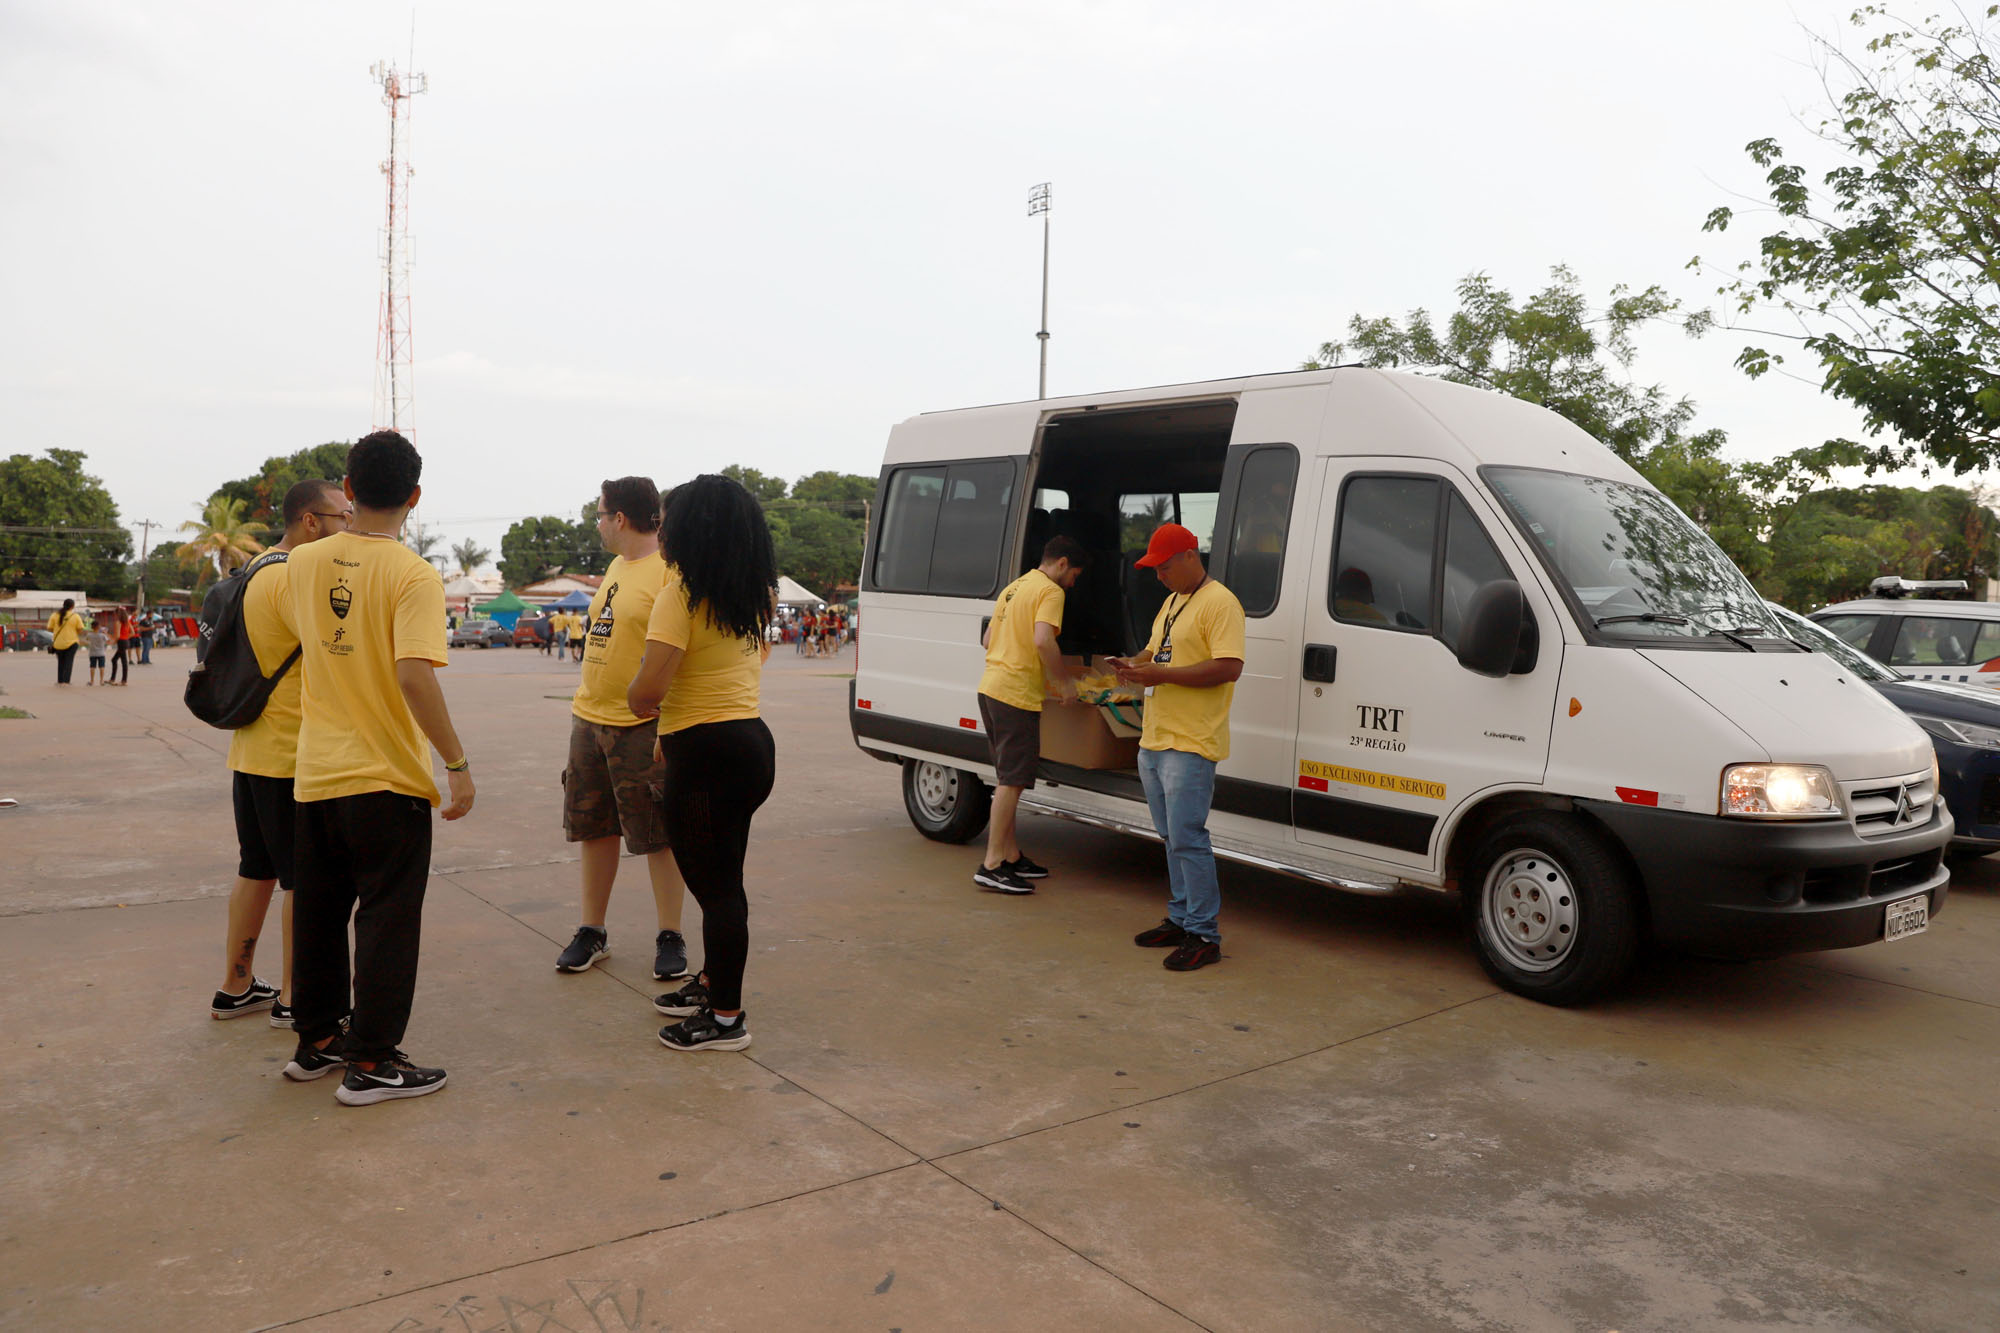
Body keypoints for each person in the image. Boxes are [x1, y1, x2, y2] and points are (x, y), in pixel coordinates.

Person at [278, 430, 475, 1106]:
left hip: (316, 773)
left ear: (350, 490)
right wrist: (457, 762)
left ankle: (318, 1041)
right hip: (386, 776)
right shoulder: (413, 575)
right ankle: (373, 1060)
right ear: (415, 497)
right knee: (388, 917)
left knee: (321, 913)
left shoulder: (302, 563)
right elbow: (414, 675)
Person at [629, 474, 777, 1053]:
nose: (662, 532)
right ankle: (716, 983)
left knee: (717, 891)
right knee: (724, 879)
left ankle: (724, 1020)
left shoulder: (680, 595)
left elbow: (647, 691)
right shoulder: (746, 592)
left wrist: (636, 700)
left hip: (708, 755)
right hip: (749, 744)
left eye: (668, 522)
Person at [210, 479, 351, 1025]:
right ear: (311, 522)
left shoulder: (258, 566)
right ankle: (297, 998)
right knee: (305, 881)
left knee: (256, 870)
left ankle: (236, 984)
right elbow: (336, 649)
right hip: (291, 751)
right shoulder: (295, 575)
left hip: (252, 749)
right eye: (343, 516)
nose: (351, 524)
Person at [554, 476, 692, 981]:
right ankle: (592, 930)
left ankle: (670, 934)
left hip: (642, 725)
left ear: (620, 518)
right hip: (589, 717)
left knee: (657, 833)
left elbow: (680, 652)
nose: (596, 523)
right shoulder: (616, 566)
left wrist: (668, 725)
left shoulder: (669, 573)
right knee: (594, 826)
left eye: (599, 514)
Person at [1107, 523, 1245, 973]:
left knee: (1188, 837)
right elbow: (1156, 652)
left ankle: (1204, 934)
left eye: (1164, 567)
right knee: (1171, 837)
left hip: (1190, 740)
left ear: (1190, 556)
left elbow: (1228, 667)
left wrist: (1160, 676)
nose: (1159, 577)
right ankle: (1183, 917)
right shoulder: (1172, 601)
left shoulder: (1220, 603)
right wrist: (1131, 665)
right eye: (1155, 570)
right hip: (1156, 737)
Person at [971, 537, 1088, 894]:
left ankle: (1010, 854)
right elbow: (1042, 640)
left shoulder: (1015, 586)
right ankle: (991, 864)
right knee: (1011, 781)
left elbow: (989, 639)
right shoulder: (1051, 592)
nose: (1073, 583)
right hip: (1015, 695)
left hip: (990, 687)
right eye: (1075, 575)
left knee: (1011, 777)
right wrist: (1064, 682)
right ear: (1063, 563)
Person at [47, 599, 84, 685]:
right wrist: (73, 632)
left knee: (61, 662)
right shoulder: (75, 616)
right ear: (72, 606)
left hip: (58, 643)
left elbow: (49, 628)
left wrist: (57, 631)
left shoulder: (54, 615)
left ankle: (60, 681)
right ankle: (66, 681)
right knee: (69, 662)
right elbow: (80, 629)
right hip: (72, 642)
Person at [107, 606, 133, 685]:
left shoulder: (118, 622)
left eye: (115, 614)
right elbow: (132, 633)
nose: (114, 616)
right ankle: (114, 679)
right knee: (115, 660)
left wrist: (112, 642)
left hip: (121, 642)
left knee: (123, 661)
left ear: (118, 614)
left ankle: (123, 680)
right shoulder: (127, 622)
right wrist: (125, 638)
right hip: (126, 642)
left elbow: (117, 636)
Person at [83, 619, 110, 686]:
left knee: (92, 667)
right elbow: (108, 641)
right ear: (99, 627)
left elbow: (86, 639)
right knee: (102, 667)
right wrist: (105, 632)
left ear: (92, 627)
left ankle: (92, 681)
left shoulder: (89, 635)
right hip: (101, 653)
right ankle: (101, 681)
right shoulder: (102, 635)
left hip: (92, 653)